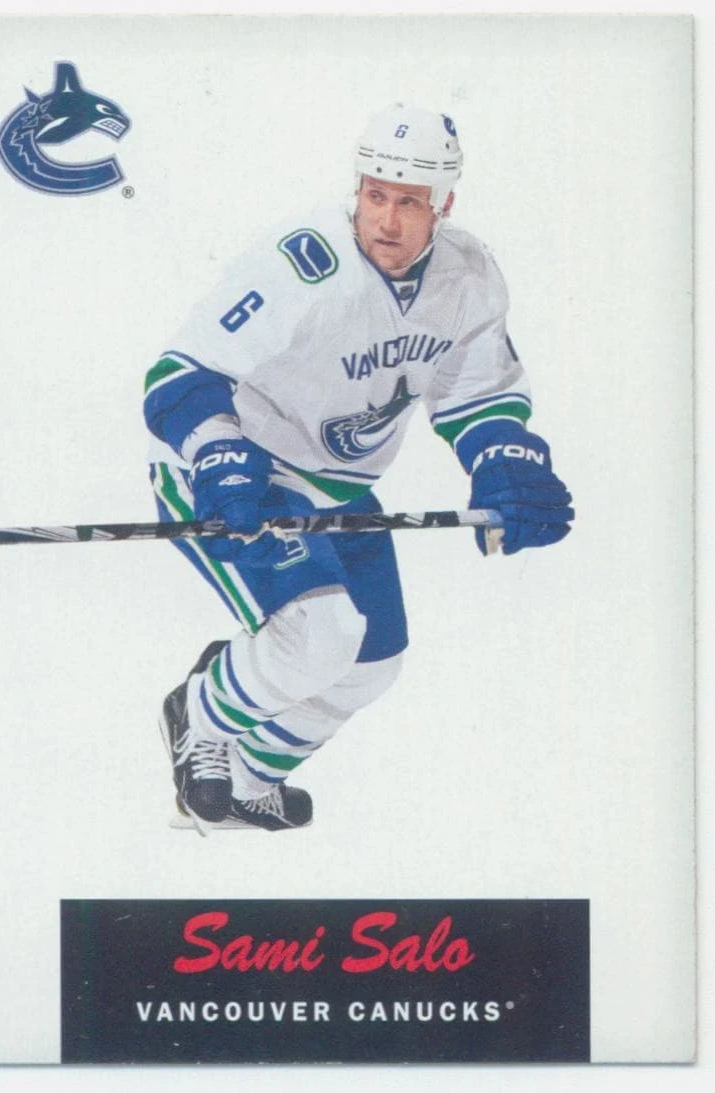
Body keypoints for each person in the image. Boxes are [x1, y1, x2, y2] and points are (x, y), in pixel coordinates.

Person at [143, 104, 574, 834]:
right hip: (240, 477)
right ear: (358, 189)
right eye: (376, 195)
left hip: (339, 489)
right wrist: (218, 449)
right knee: (322, 633)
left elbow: (478, 393)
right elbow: (180, 373)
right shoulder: (300, 263)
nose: (387, 220)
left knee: (374, 660)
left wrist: (504, 461)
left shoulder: (468, 275)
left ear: (444, 205)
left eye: (409, 203)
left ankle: (251, 777)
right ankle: (200, 716)